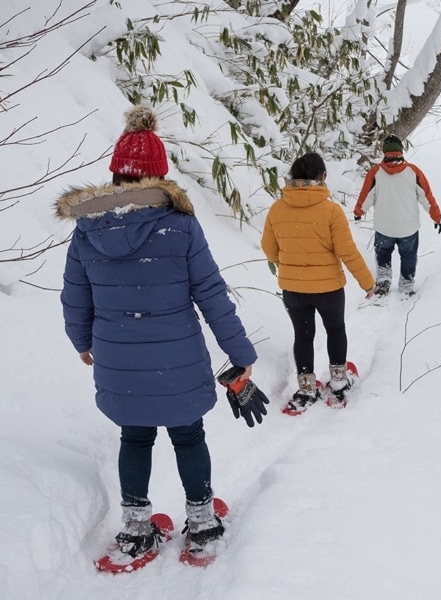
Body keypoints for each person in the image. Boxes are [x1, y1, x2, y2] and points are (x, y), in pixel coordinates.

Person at [57, 105, 257, 562]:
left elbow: (75, 296)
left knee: (135, 437)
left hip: (118, 360)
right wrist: (239, 351)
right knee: (188, 436)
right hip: (177, 360)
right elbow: (211, 294)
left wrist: (82, 342)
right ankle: (203, 523)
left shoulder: (88, 229)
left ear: (115, 172)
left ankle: (135, 529)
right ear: (160, 174)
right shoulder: (180, 225)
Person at [261, 152, 375, 413]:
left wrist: (290, 261)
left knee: (303, 336)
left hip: (293, 289)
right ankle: (338, 383)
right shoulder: (331, 211)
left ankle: (306, 388)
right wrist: (367, 283)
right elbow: (348, 252)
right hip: (329, 290)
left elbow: (269, 250)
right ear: (322, 176)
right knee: (335, 330)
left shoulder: (277, 209)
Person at [353, 134, 441, 297]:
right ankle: (406, 285)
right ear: (400, 151)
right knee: (409, 256)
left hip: (384, 227)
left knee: (383, 253)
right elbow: (427, 197)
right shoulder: (413, 172)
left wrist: (358, 212)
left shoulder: (376, 173)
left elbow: (366, 196)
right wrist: (437, 217)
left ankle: (383, 280)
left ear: (384, 152)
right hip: (408, 228)